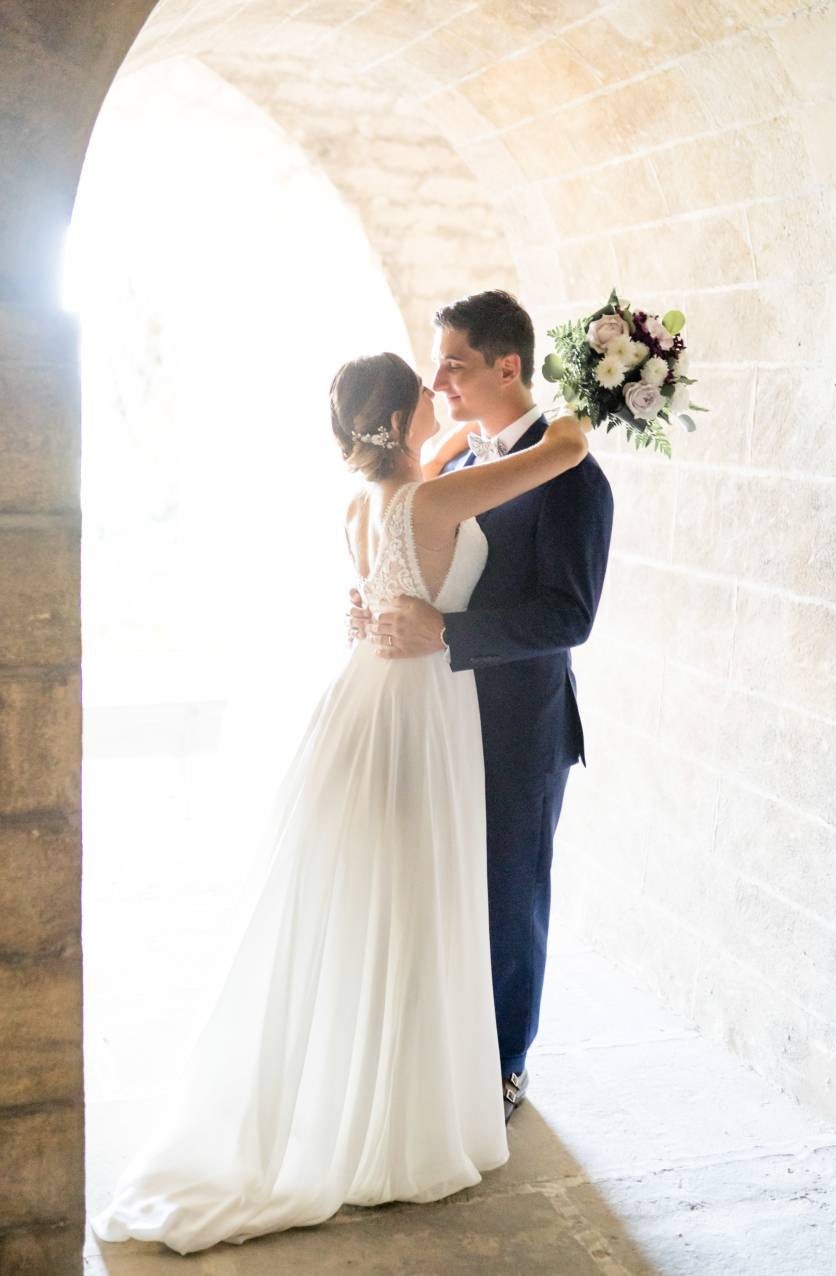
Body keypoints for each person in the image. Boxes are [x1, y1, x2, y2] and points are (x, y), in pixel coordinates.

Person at [92, 351, 589, 1255]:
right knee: (415, 897)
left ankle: (362, 1084)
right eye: (422, 401)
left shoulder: (364, 503)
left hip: (363, 695)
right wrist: (597, 390)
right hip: (419, 705)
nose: (439, 406)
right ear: (399, 423)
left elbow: (415, 492)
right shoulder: (434, 500)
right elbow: (560, 452)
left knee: (374, 899)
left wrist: (432, 419)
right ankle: (398, 1108)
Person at [351, 292, 614, 1121]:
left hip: (520, 724)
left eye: (454, 363)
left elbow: (569, 615)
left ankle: (503, 1063)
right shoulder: (461, 464)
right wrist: (378, 605)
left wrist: (445, 631)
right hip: (443, 719)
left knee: (509, 893)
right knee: (450, 889)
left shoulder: (572, 474)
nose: (439, 380)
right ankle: (446, 1045)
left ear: (508, 365)